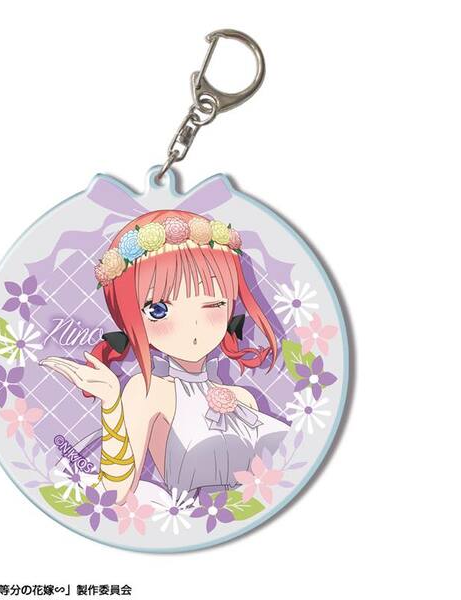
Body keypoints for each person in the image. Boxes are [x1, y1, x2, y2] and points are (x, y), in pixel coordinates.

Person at [40, 210, 289, 507]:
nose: (193, 327)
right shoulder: (147, 390)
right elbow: (114, 494)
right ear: (130, 317)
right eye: (159, 310)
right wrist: (111, 403)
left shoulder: (243, 399)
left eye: (213, 304)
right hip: (182, 517)